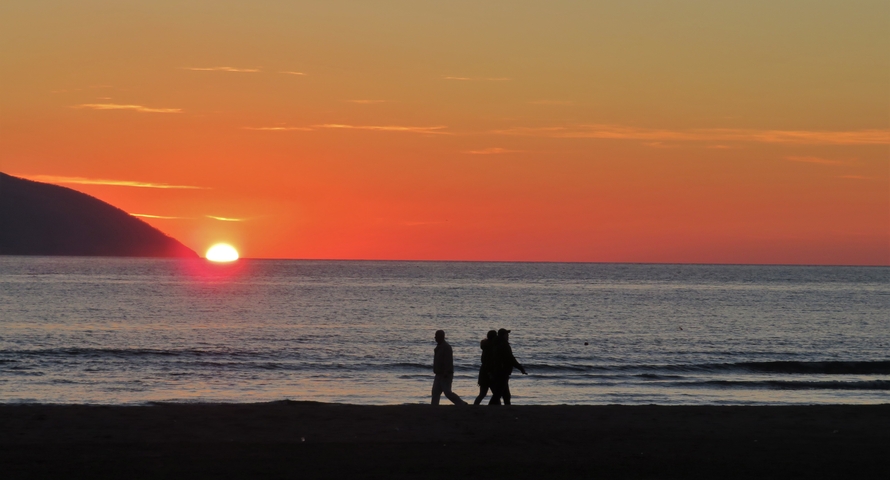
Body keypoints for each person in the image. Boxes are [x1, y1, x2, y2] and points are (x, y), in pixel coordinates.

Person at [488, 328, 527, 406]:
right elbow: (510, 359)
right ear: (503, 335)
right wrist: (521, 368)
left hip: (498, 370)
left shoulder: (495, 344)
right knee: (499, 393)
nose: (508, 336)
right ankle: (491, 407)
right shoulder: (504, 345)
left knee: (505, 393)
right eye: (507, 334)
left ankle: (507, 406)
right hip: (502, 371)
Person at [431, 330, 467, 406]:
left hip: (445, 374)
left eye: (437, 336)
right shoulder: (439, 347)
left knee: (447, 393)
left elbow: (448, 361)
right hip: (438, 373)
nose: (435, 338)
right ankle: (434, 406)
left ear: (441, 337)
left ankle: (461, 403)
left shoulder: (446, 347)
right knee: (435, 392)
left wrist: (446, 372)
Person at [473, 330, 498, 405]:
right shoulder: (491, 348)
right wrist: (490, 373)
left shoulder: (486, 346)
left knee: (483, 393)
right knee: (495, 393)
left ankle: (475, 406)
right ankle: (495, 406)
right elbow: (489, 361)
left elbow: (484, 361)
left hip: (484, 372)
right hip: (489, 372)